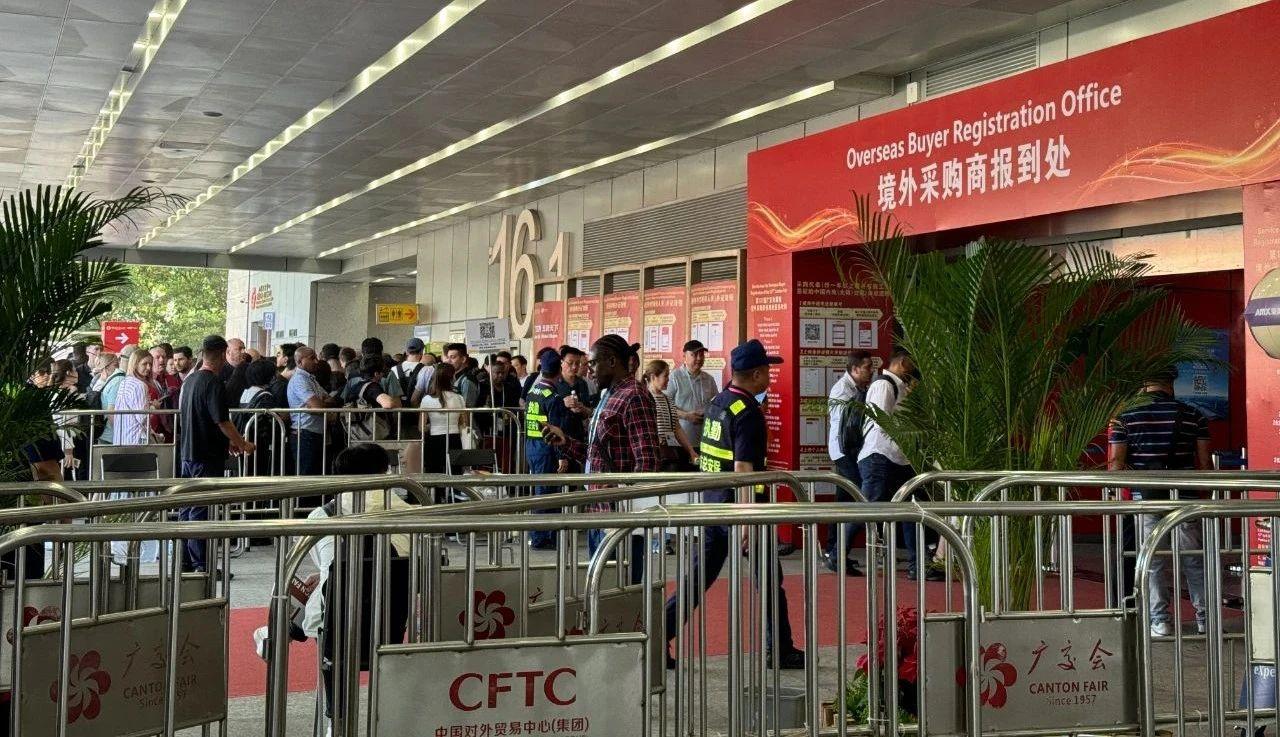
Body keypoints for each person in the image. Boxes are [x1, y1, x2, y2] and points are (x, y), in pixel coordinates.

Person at [664, 338, 804, 669]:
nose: (770, 376)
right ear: (755, 374)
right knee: (769, 579)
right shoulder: (748, 413)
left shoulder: (719, 401)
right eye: (767, 371)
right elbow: (743, 470)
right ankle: (779, 648)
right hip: (742, 512)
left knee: (696, 579)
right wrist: (745, 519)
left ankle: (659, 634)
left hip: (715, 506)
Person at [1109, 367, 1211, 636]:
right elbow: (1204, 465)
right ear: (1171, 384)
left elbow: (1115, 465)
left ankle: (1160, 621)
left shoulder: (1124, 417)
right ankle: (1206, 619)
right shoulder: (1194, 416)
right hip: (1186, 498)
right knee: (1193, 559)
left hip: (1147, 498)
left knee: (1152, 560)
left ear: (1144, 383)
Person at [542, 334, 659, 554]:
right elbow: (597, 453)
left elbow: (647, 460)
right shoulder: (609, 395)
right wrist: (565, 442)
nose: (589, 371)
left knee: (621, 575)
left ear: (612, 361)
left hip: (620, 517)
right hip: (599, 509)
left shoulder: (634, 396)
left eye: (594, 364)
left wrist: (622, 491)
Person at [859, 349, 939, 581]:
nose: (914, 369)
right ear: (903, 362)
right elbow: (881, 421)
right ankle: (836, 553)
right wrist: (910, 434)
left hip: (899, 457)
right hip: (879, 456)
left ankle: (918, 564)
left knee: (911, 509)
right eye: (912, 364)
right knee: (867, 508)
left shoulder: (900, 386)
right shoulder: (884, 385)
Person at [177, 336, 255, 572]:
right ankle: (201, 564)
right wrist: (241, 443)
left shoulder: (190, 381)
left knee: (187, 508)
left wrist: (227, 441)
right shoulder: (213, 383)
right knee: (201, 509)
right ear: (222, 355)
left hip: (188, 453)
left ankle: (185, 560)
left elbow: (203, 418)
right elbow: (221, 420)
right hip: (206, 455)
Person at [824, 350, 875, 575]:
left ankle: (833, 550)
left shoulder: (857, 388)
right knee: (860, 497)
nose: (871, 371)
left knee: (843, 500)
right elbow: (850, 423)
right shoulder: (843, 390)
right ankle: (836, 553)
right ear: (854, 369)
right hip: (845, 452)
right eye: (867, 367)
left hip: (848, 451)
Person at [525, 353, 570, 549]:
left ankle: (542, 535)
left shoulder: (533, 391)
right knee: (547, 494)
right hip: (547, 449)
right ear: (559, 371)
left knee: (540, 491)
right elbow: (555, 430)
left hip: (532, 446)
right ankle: (542, 537)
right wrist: (562, 456)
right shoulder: (553, 397)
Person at [420, 364, 469, 499]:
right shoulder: (458, 398)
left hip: (434, 440)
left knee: (434, 472)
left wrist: (434, 424)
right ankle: (453, 498)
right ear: (452, 378)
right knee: (454, 472)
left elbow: (421, 427)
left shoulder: (427, 399)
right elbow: (464, 422)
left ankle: (435, 499)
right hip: (454, 439)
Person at [288, 346, 339, 475]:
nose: (316, 361)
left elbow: (330, 400)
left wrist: (320, 404)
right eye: (312, 358)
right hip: (305, 434)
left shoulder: (311, 379)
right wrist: (320, 404)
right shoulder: (299, 380)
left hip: (314, 434)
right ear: (299, 361)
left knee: (317, 475)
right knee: (307, 476)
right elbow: (318, 406)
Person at [644, 360, 698, 471]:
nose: (668, 379)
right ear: (653, 377)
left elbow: (677, 428)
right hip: (653, 456)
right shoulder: (644, 398)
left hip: (670, 454)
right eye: (665, 376)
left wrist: (691, 451)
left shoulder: (668, 399)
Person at [666, 340, 719, 449]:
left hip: (704, 441)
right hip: (679, 442)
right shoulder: (674, 377)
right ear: (684, 356)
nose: (699, 358)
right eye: (694, 354)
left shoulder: (709, 379)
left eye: (701, 354)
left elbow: (716, 404)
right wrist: (686, 416)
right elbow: (663, 407)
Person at [236, 358, 279, 476]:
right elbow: (267, 422)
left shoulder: (245, 392)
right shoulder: (265, 396)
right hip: (258, 443)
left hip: (244, 437)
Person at [113, 350, 162, 447]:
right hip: (136, 440)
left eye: (150, 364)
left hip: (121, 438)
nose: (148, 367)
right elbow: (142, 418)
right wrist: (154, 407)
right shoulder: (139, 385)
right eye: (144, 364)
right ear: (135, 364)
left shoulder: (124, 382)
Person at [394, 338, 432, 435]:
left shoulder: (393, 369)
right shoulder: (427, 370)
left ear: (406, 352)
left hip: (398, 416)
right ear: (422, 351)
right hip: (419, 415)